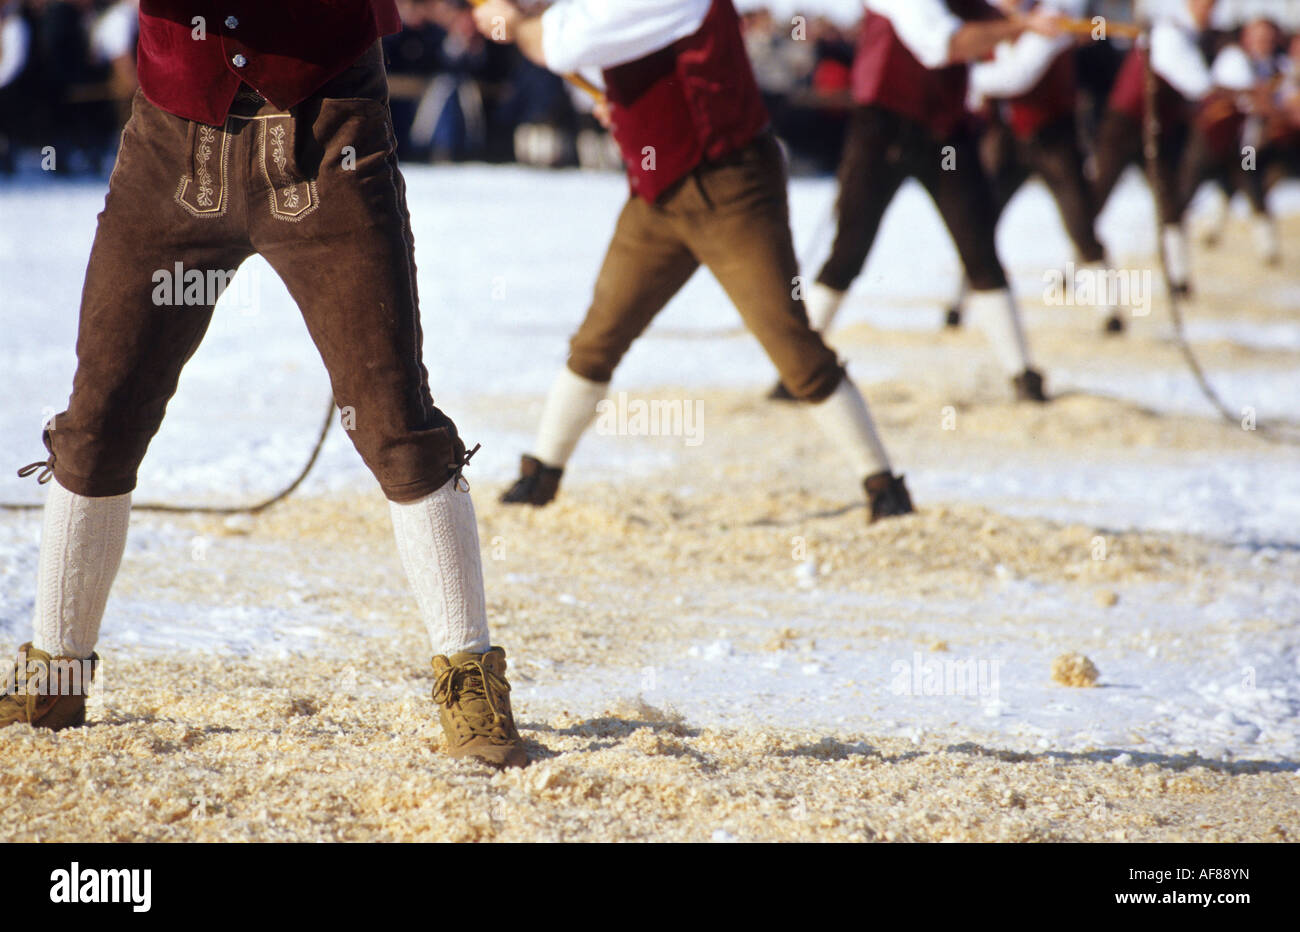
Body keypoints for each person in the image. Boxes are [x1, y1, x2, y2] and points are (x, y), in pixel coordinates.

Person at [4, 0, 528, 770]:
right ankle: (55, 674)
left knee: (395, 424)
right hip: (170, 141)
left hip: (327, 128)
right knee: (98, 420)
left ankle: (470, 676)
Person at [471, 0, 916, 522]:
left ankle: (885, 486)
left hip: (731, 192)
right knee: (598, 337)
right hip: (657, 195)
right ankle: (540, 474)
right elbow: (597, 52)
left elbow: (560, 43)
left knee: (793, 349)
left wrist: (515, 21)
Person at [794, 0, 1063, 404]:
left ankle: (1022, 374)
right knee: (849, 252)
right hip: (883, 128)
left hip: (946, 131)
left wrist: (1021, 21)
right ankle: (798, 370)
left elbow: (987, 21)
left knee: (980, 248)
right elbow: (945, 44)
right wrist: (1021, 26)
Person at [964, 0, 1127, 334]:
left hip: (1053, 138)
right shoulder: (993, 20)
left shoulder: (1052, 20)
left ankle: (1109, 310)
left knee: (1080, 220)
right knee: (977, 220)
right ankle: (961, 304)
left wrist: (963, 76)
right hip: (1007, 138)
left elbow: (1016, 77)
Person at [1090, 0, 1217, 297]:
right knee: (1095, 198)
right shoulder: (1170, 33)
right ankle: (1071, 270)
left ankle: (1179, 278)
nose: (1207, 10)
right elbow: (1198, 85)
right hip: (1124, 126)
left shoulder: (1191, 35)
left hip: (1157, 130)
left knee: (1170, 201)